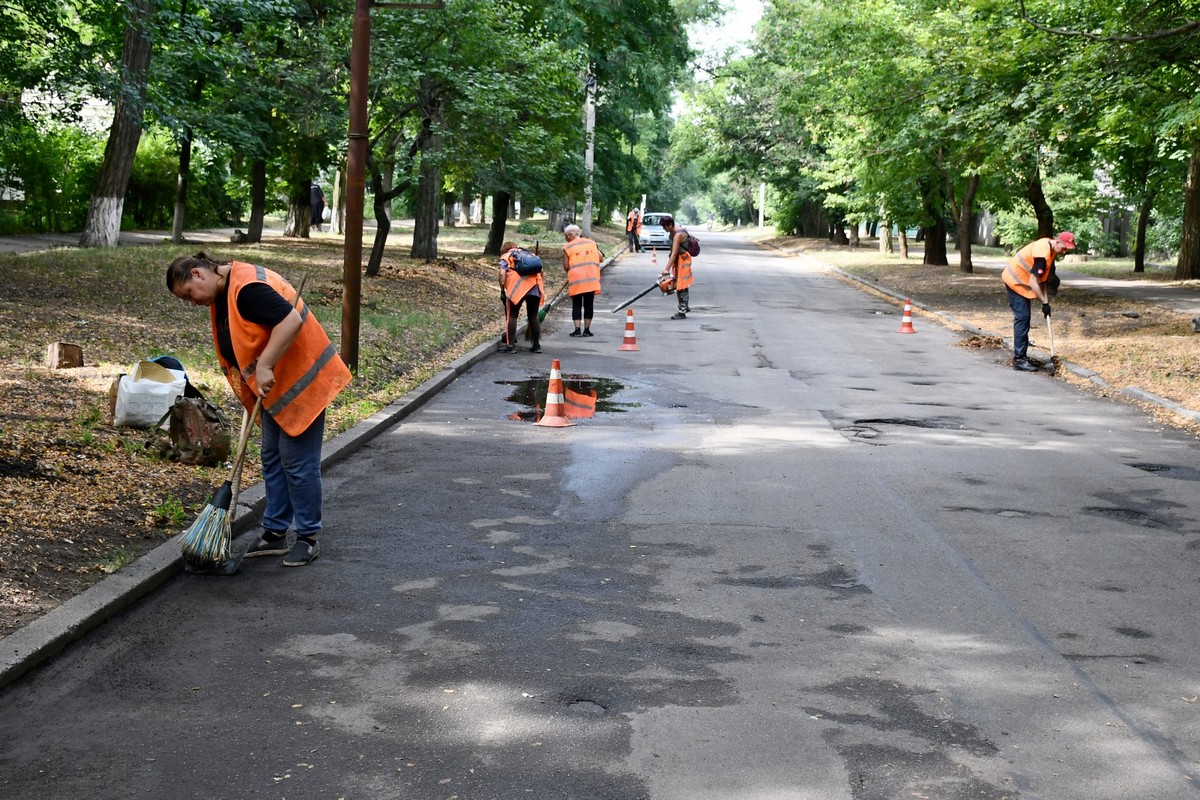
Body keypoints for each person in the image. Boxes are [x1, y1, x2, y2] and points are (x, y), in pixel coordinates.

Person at [166, 253, 352, 566]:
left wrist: (264, 364)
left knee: (296, 461)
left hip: (301, 384)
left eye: (188, 294)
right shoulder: (223, 293)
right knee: (272, 458)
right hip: (273, 391)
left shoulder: (247, 289)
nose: (191, 302)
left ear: (198, 274)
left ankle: (308, 536)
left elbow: (290, 321)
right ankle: (276, 531)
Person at [1002, 231, 1075, 372]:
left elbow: (1042, 280)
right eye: (1064, 247)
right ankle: (1019, 360)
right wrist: (1044, 303)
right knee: (1023, 318)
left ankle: (1022, 356)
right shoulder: (1042, 256)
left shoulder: (1049, 247)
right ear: (1057, 241)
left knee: (1024, 318)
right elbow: (1033, 281)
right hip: (1015, 281)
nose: (1065, 252)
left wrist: (1046, 302)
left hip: (1021, 281)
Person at [499, 241, 543, 353]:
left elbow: (502, 273)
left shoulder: (506, 256)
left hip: (517, 289)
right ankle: (536, 346)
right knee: (533, 316)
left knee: (512, 316)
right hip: (535, 286)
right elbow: (541, 270)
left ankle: (510, 346)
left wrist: (502, 289)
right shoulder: (530, 254)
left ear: (504, 250)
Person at [562, 224, 602, 337]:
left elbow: (566, 266)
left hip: (577, 280)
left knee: (577, 304)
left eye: (565, 236)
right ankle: (587, 330)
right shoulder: (591, 243)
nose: (565, 238)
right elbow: (601, 258)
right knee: (589, 304)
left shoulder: (568, 247)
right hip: (591, 278)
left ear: (570, 235)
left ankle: (577, 330)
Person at [660, 215, 695, 320]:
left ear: (670, 225)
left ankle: (682, 311)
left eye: (665, 227)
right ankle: (685, 306)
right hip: (677, 261)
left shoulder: (678, 235)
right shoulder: (671, 233)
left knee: (682, 285)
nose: (664, 229)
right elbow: (673, 253)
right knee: (678, 284)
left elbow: (674, 253)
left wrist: (666, 269)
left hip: (683, 260)